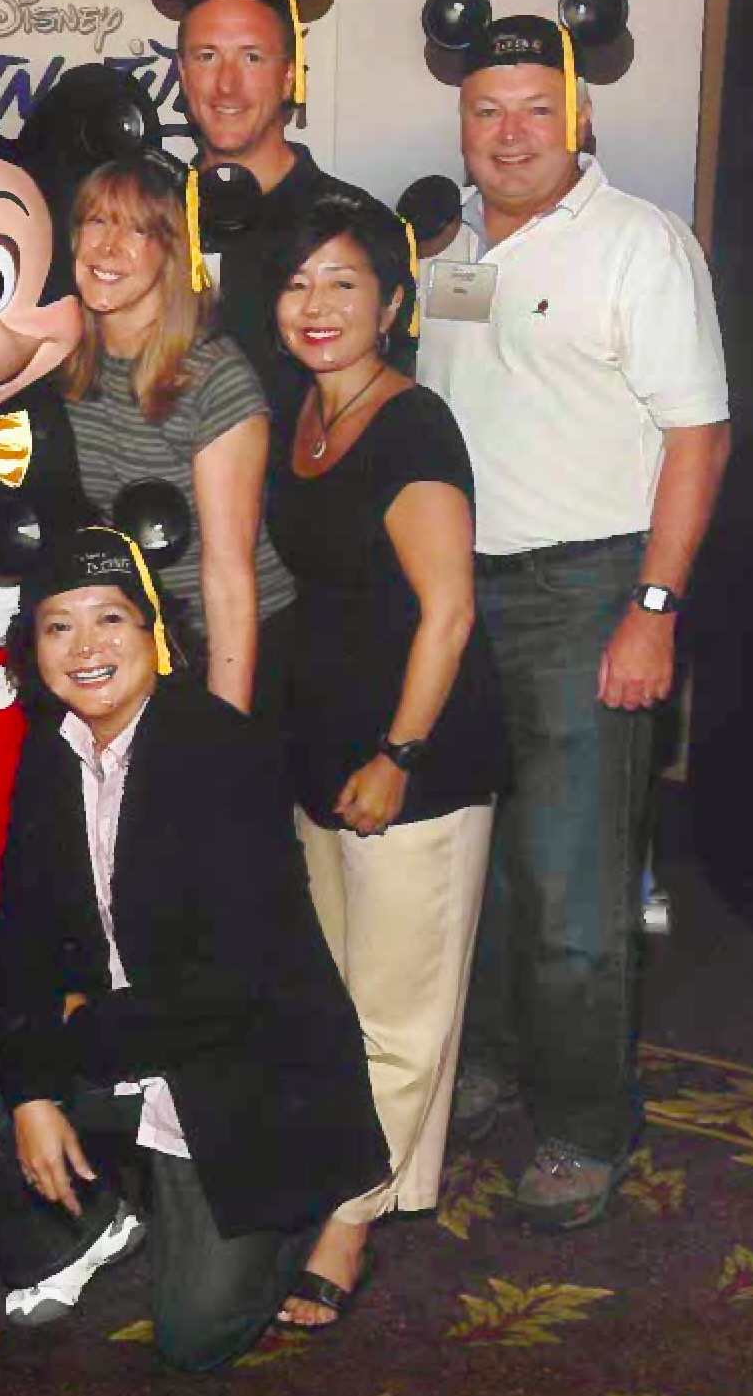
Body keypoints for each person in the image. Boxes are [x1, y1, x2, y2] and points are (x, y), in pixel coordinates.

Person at [0, 528, 387, 1370]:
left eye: (110, 618)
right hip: (128, 1041)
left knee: (193, 1338)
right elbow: (20, 933)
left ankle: (324, 1199)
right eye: (57, 627)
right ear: (33, 651)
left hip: (238, 1068)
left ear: (155, 633)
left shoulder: (224, 751)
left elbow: (231, 986)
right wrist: (32, 1092)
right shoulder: (48, 751)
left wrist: (75, 1032)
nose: (86, 647)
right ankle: (94, 1225)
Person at [416, 16, 731, 1229]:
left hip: (586, 592)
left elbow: (697, 436)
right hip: (453, 599)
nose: (509, 134)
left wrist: (651, 609)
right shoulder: (444, 245)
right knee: (480, 875)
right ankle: (497, 1064)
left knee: (574, 891)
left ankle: (586, 1126)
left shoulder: (641, 248)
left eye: (535, 109)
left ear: (580, 119)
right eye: (488, 110)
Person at [262, 190, 506, 1324]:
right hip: (320, 741)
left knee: (395, 1006)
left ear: (394, 303)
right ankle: (357, 1176)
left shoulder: (414, 426)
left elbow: (447, 610)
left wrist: (399, 752)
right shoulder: (300, 415)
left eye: (343, 284)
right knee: (337, 989)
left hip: (415, 754)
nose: (316, 306)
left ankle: (348, 1221)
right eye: (298, 282)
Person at [60, 154, 295, 721]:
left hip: (231, 650)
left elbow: (228, 577)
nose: (110, 247)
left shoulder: (212, 375)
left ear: (171, 251)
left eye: (139, 229)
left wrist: (225, 728)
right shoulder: (63, 359)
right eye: (98, 221)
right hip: (134, 644)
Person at [176, 0, 364, 429]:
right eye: (207, 57)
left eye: (252, 58)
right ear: (182, 74)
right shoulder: (140, 217)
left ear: (288, 76)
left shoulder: (355, 227)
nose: (226, 85)